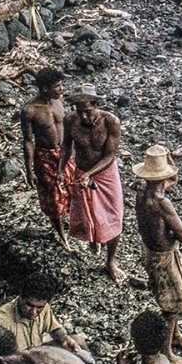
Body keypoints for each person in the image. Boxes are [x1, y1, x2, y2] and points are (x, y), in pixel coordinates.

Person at [133, 145, 182, 364]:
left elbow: (171, 180)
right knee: (172, 307)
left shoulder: (141, 189)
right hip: (164, 257)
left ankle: (175, 336)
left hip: (149, 251)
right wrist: (179, 232)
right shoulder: (162, 203)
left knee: (171, 301)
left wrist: (169, 161)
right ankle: (167, 351)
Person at [57, 85, 124, 283]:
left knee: (113, 216)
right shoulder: (71, 121)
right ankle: (95, 239)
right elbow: (66, 147)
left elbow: (110, 155)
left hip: (105, 174)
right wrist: (61, 170)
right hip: (82, 171)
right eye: (80, 111)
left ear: (97, 105)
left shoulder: (110, 122)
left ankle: (110, 261)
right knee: (89, 213)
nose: (84, 116)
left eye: (88, 111)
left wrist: (90, 174)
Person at [21, 68, 75, 249]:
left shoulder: (58, 101)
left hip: (64, 153)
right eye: (57, 86)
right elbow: (28, 141)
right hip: (45, 156)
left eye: (61, 85)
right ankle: (61, 234)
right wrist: (29, 170)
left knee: (73, 189)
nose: (61, 89)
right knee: (52, 198)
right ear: (44, 88)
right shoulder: (30, 110)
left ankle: (74, 225)